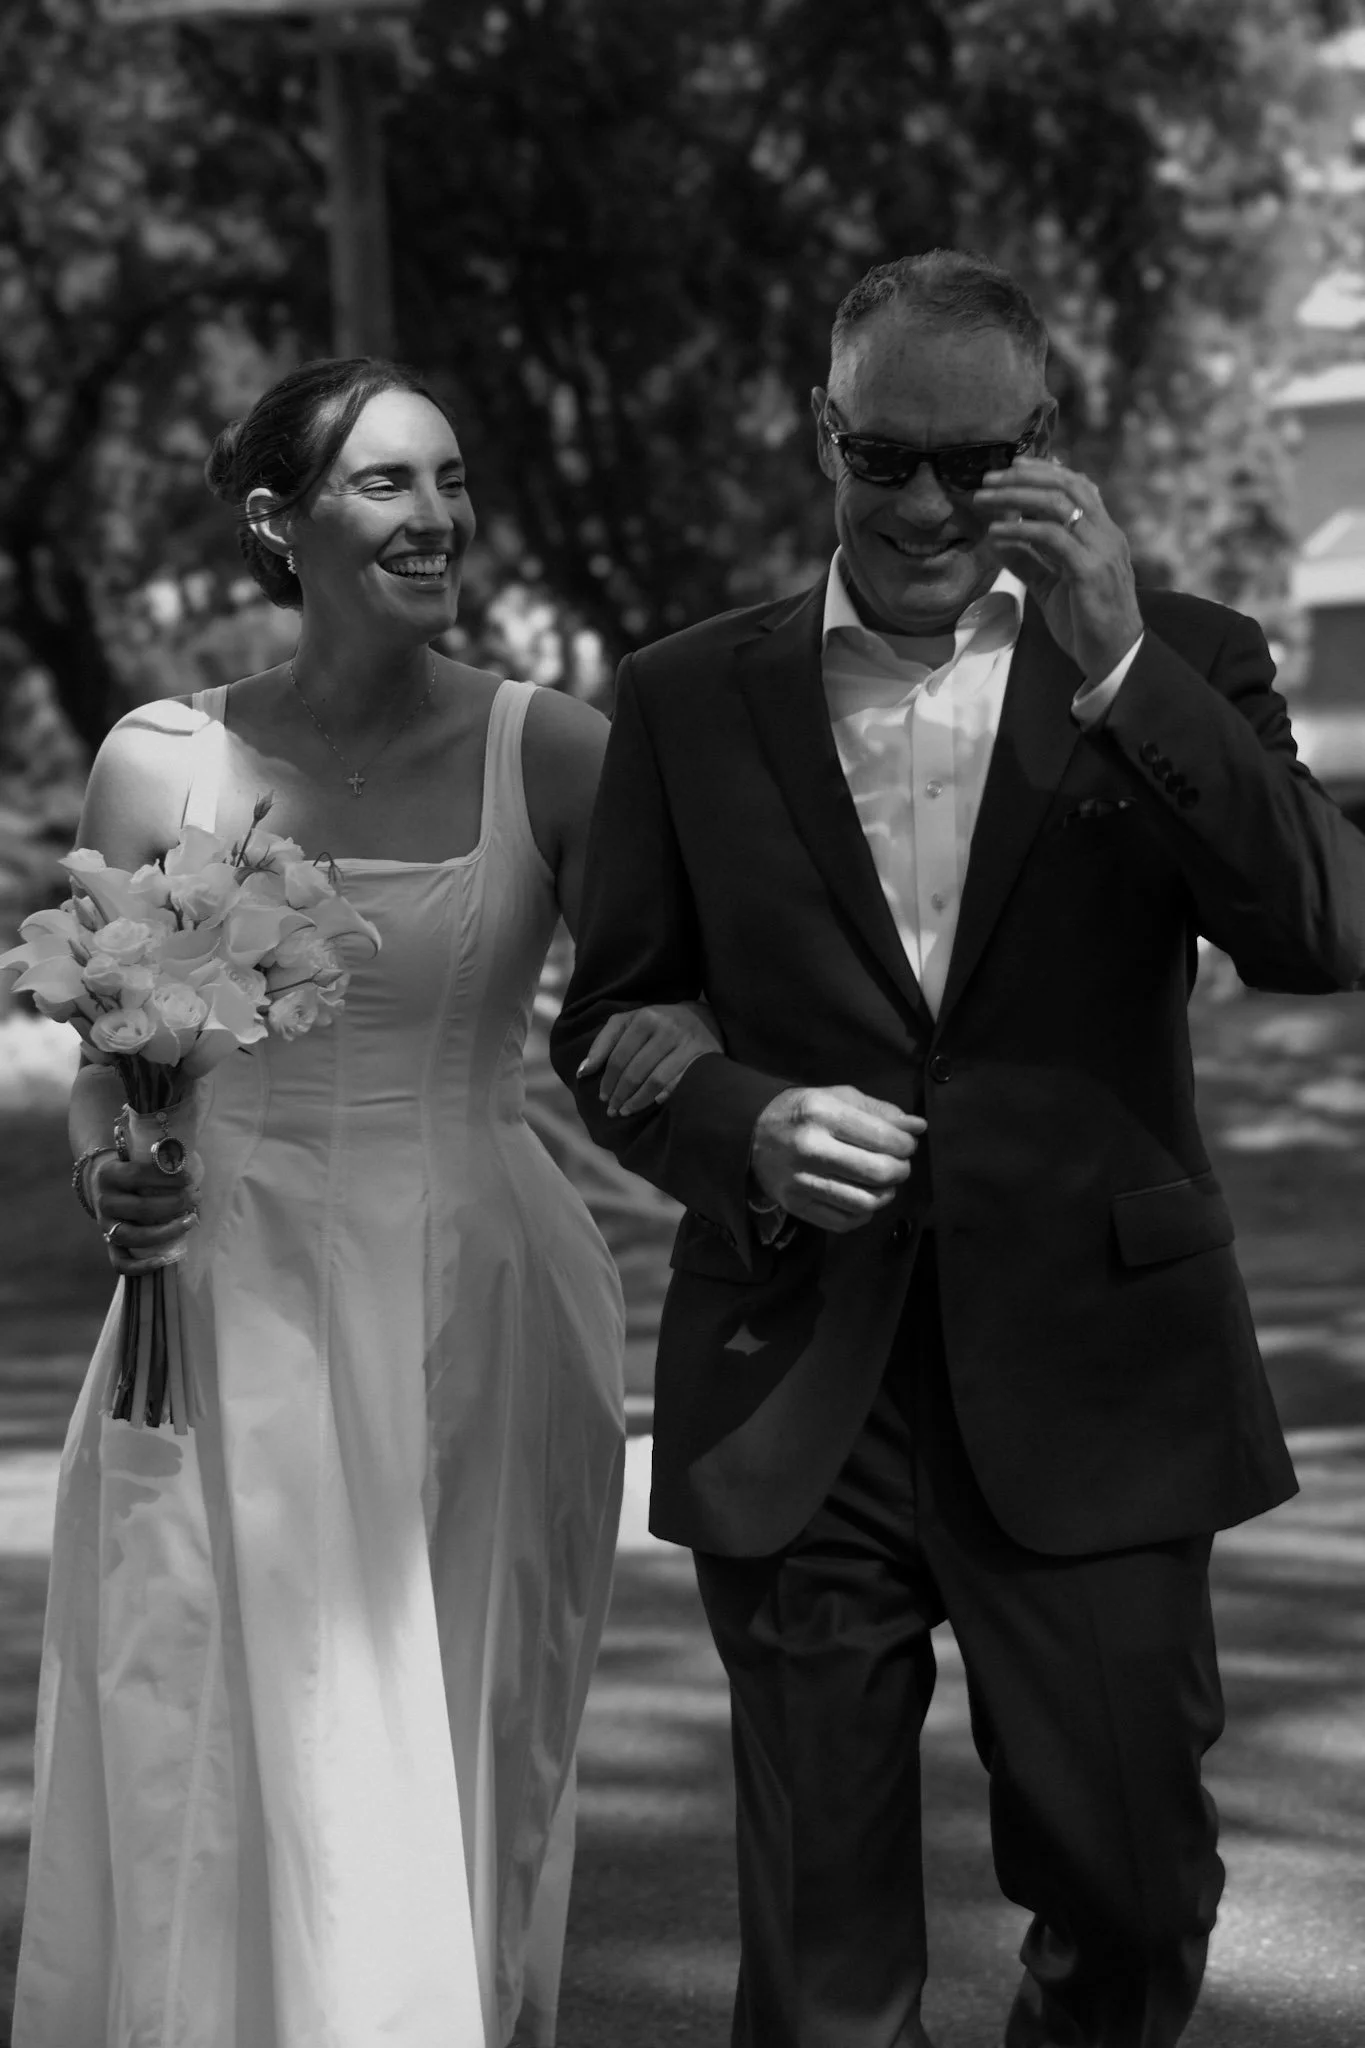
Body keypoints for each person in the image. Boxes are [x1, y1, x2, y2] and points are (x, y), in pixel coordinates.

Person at [551, 250, 1365, 2048]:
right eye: (885, 457)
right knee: (824, 1964)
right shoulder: (688, 695)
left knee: (1134, 1889)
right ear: (822, 434)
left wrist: (1122, 662)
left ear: (1047, 448)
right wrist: (743, 1126)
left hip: (1100, 1374)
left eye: (971, 462)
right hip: (802, 1379)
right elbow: (608, 1024)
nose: (924, 503)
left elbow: (1318, 928)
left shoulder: (1190, 660)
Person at [13, 357, 715, 2048]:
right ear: (278, 522)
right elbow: (114, 1057)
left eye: (451, 479)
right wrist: (118, 1166)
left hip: (472, 1290)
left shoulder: (549, 750)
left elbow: (669, 1002)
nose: (438, 517)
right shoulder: (158, 765)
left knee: (447, 1724)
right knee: (202, 1719)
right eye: (387, 484)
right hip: (213, 1296)